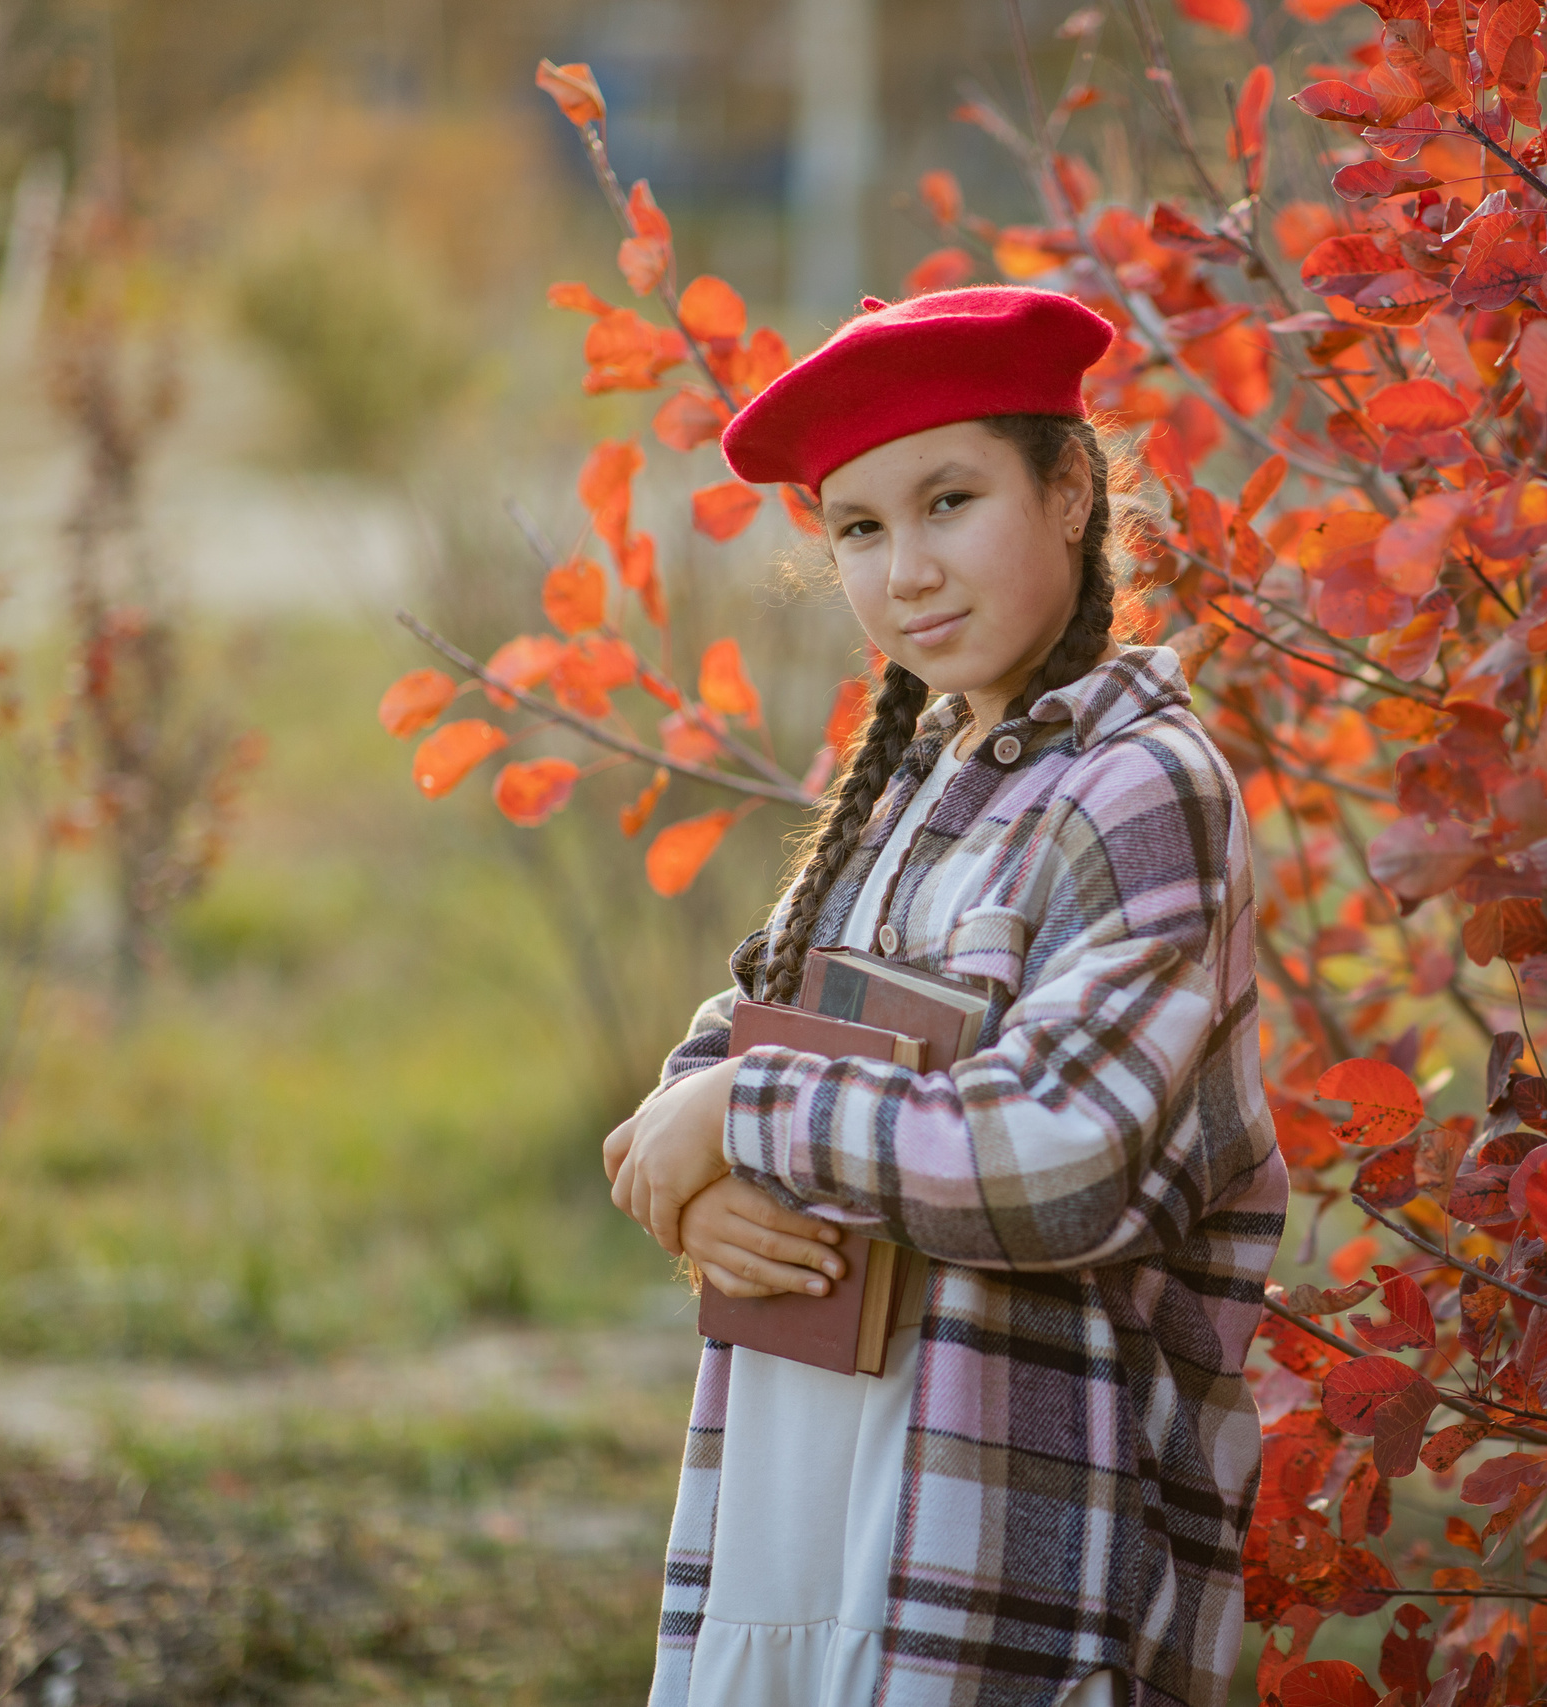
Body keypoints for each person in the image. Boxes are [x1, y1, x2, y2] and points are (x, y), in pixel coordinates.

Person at [600, 286, 1285, 1707]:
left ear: (1073, 488)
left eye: (950, 499)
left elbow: (1056, 1158)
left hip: (1009, 1559)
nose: (905, 568)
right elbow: (721, 1054)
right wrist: (690, 1173)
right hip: (797, 1511)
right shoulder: (908, 789)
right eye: (860, 527)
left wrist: (746, 1115)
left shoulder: (1139, 789)